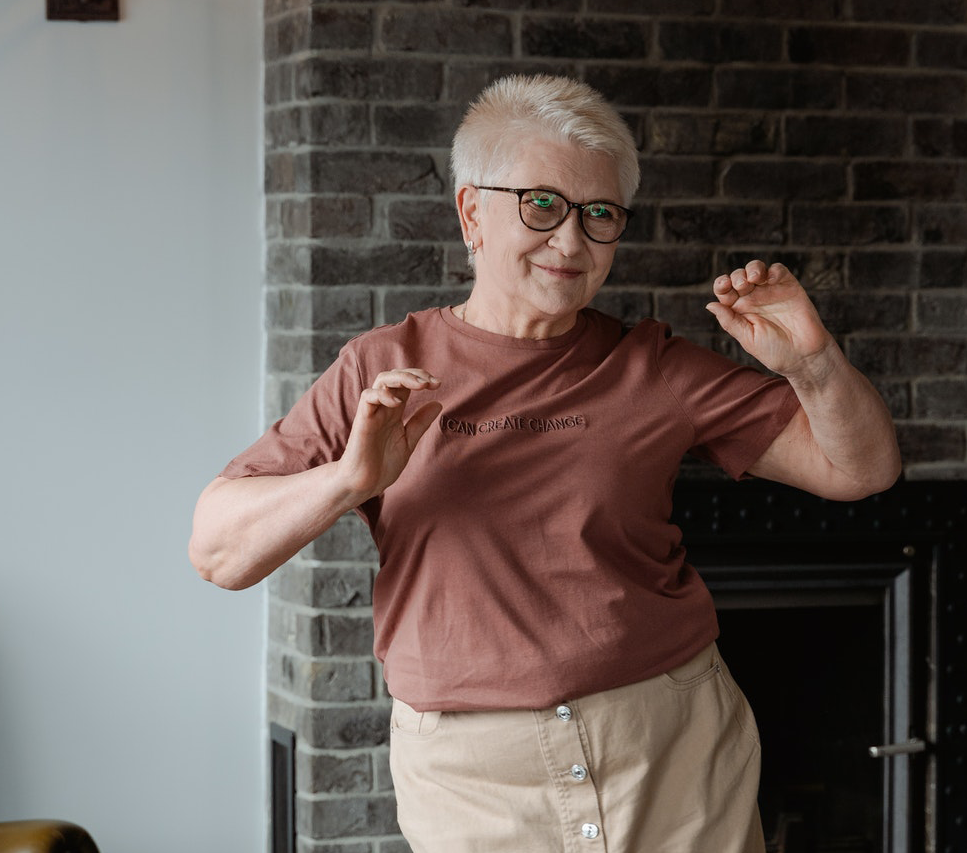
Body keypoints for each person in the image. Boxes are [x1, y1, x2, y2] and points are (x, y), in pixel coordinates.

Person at [189, 74, 901, 853]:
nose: (570, 242)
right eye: (541, 204)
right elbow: (218, 550)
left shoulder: (650, 364)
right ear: (472, 212)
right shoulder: (382, 365)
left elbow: (857, 470)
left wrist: (814, 363)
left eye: (599, 215)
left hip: (671, 753)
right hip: (473, 782)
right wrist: (351, 480)